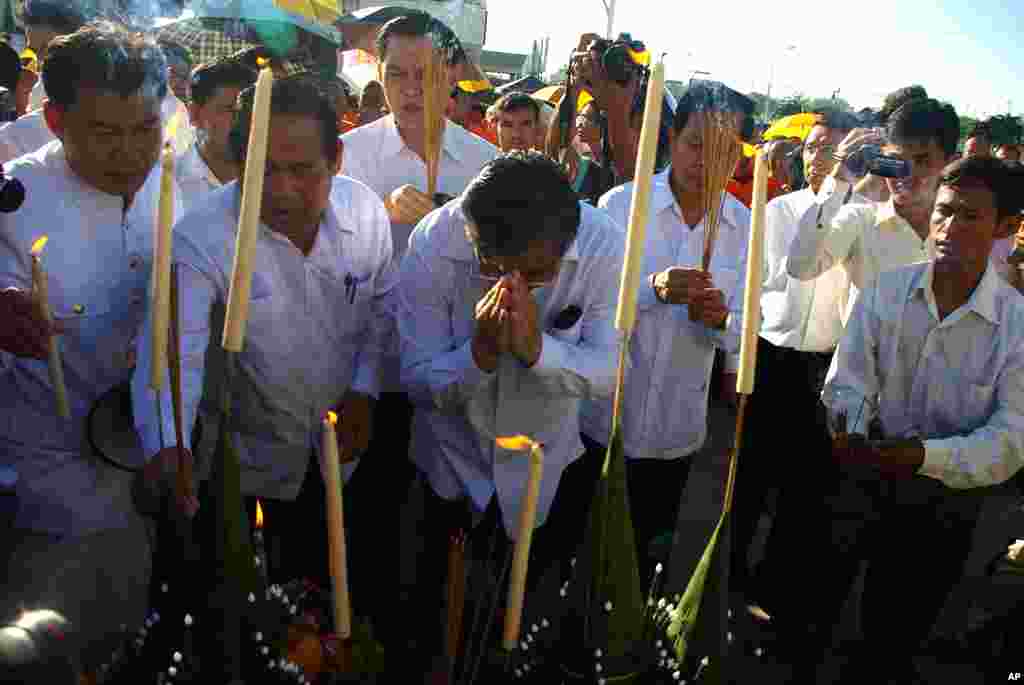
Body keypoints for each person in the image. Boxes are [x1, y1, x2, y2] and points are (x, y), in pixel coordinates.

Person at [132, 75, 395, 591]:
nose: (281, 190)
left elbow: (383, 310)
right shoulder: (203, 237)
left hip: (344, 458)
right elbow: (172, 355)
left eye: (302, 171)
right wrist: (170, 444)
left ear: (336, 158)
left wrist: (365, 388)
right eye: (264, 170)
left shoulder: (365, 212)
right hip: (244, 469)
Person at [397, 151, 622, 667]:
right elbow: (415, 376)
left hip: (546, 468)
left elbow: (610, 372)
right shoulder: (435, 240)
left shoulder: (603, 244)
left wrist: (539, 351)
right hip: (450, 467)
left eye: (535, 274)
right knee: (438, 626)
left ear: (566, 241)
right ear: (470, 229)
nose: (511, 287)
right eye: (491, 266)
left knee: (522, 632)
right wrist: (476, 356)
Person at [0, 22, 177, 669]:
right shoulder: (12, 198)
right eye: (104, 133)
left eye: (145, 130)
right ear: (53, 119)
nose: (130, 153)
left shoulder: (182, 183)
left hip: (159, 475)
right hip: (46, 488)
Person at [818, 156, 1024, 684]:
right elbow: (848, 379)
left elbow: (1010, 440)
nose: (949, 228)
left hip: (947, 501)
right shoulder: (886, 291)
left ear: (1005, 227)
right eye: (945, 212)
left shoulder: (1016, 327)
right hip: (862, 475)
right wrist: (855, 431)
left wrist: (921, 457)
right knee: (819, 611)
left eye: (970, 217)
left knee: (897, 634)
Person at [337, 11, 498, 648]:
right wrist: (379, 214)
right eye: (396, 74)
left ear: (452, 75)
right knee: (365, 516)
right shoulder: (352, 154)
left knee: (439, 521)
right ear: (378, 75)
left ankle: (432, 641)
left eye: (425, 75)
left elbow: (504, 264)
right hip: (365, 367)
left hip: (452, 365)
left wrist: (447, 223)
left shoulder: (485, 165)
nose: (410, 89)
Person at [581, 82, 750, 582]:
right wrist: (652, 287)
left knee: (647, 555)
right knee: (589, 550)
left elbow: (748, 327)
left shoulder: (744, 226)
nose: (705, 161)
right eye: (696, 144)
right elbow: (583, 305)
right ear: (671, 138)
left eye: (723, 151)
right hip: (606, 415)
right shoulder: (620, 207)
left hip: (679, 426)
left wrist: (722, 320)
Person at [729, 111, 858, 620]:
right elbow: (753, 288)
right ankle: (730, 571)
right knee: (750, 474)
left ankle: (775, 588)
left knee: (805, 488)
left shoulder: (867, 215)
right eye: (809, 148)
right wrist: (738, 361)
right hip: (771, 356)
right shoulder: (778, 210)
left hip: (827, 365)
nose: (815, 158)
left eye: (828, 149)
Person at [788, 98, 960, 304]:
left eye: (923, 161)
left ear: (949, 164)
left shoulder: (963, 230)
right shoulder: (859, 220)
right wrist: (836, 180)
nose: (907, 174)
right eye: (897, 160)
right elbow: (800, 268)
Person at [176, 56, 256, 212]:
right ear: (195, 114)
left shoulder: (271, 185)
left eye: (250, 111)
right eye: (230, 110)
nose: (243, 121)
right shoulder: (168, 182)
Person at [19, 0, 88, 112]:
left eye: (46, 49)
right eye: (34, 50)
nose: (40, 60)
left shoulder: (95, 86)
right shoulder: (41, 87)